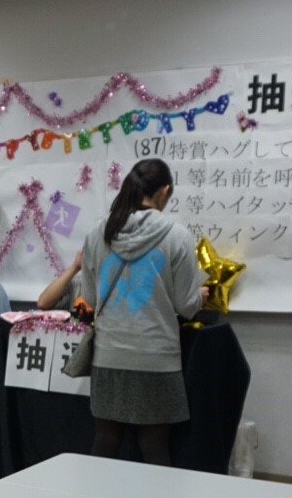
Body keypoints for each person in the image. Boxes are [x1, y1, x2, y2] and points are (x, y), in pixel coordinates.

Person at [77, 158, 207, 467]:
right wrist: (200, 296)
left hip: (109, 355)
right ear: (164, 191)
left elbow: (89, 298)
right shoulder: (177, 235)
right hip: (156, 356)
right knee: (155, 446)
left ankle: (92, 496)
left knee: (106, 441)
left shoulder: (99, 233)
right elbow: (186, 306)